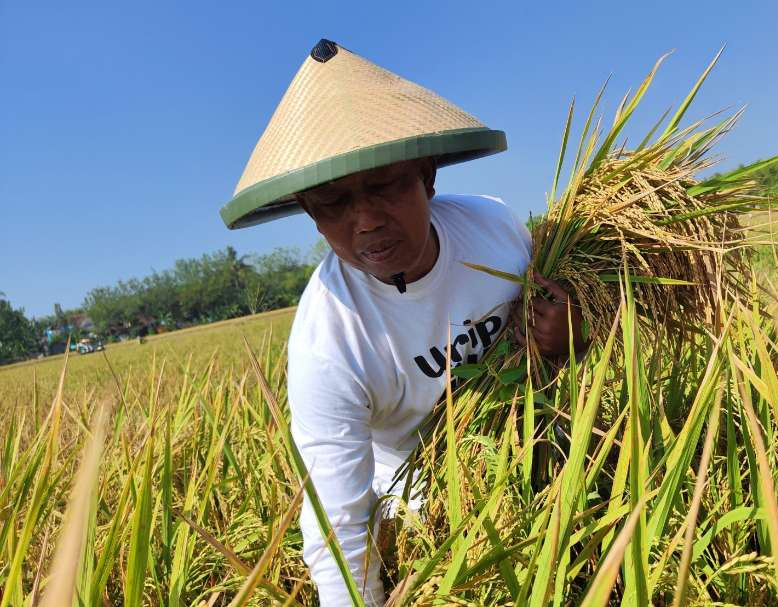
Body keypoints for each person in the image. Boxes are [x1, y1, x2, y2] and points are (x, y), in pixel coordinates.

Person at [220, 39, 583, 606]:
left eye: (384, 186)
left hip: (547, 445)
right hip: (425, 505)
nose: (365, 221)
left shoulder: (495, 229)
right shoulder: (329, 342)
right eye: (334, 202)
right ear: (311, 216)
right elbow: (337, 526)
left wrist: (569, 341)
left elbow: (563, 328)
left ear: (426, 176)